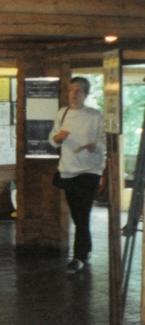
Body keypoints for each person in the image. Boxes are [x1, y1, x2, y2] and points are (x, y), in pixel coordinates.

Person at [49, 77, 105, 273]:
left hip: (90, 170)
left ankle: (78, 257)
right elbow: (53, 140)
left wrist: (95, 146)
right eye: (71, 90)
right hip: (68, 170)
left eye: (79, 90)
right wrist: (59, 137)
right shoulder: (63, 113)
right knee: (77, 214)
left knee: (82, 213)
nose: (74, 93)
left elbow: (105, 140)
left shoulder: (95, 115)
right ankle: (86, 249)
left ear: (86, 93)